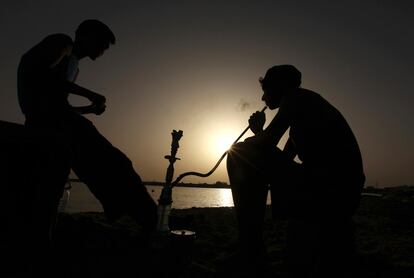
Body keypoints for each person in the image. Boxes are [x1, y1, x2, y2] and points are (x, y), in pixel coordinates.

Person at [16, 20, 158, 267]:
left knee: (108, 165)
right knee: (115, 163)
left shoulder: (73, 65)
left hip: (55, 121)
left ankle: (139, 216)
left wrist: (88, 110)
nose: (102, 51)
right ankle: (149, 220)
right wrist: (90, 94)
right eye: (102, 44)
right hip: (47, 123)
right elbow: (43, 77)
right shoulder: (62, 43)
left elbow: (59, 104)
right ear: (86, 35)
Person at [226, 65, 365, 277]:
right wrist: (260, 133)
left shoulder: (296, 99)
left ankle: (250, 246)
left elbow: (267, 145)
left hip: (333, 188)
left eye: (266, 90)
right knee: (249, 152)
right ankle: (262, 239)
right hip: (341, 189)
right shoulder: (305, 111)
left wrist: (258, 135)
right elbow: (281, 157)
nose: (263, 98)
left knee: (239, 153)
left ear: (280, 87)